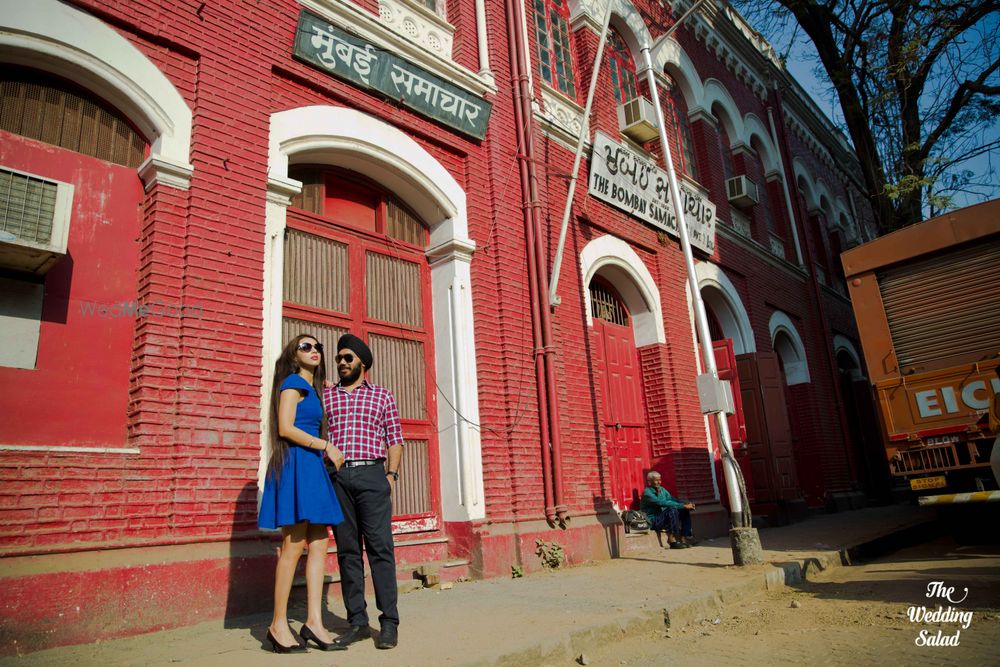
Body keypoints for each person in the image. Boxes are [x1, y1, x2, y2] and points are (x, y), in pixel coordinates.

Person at [258, 334, 346, 653]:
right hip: (297, 465)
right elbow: (285, 427)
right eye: (305, 347)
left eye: (318, 347)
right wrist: (326, 445)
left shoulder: (315, 389)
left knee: (320, 542)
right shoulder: (293, 383)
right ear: (294, 356)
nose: (314, 351)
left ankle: (313, 621)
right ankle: (278, 624)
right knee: (293, 544)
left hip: (311, 467)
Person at [323, 333, 404, 650]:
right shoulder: (328, 397)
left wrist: (391, 476)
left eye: (348, 358)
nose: (342, 362)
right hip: (339, 478)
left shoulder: (382, 396)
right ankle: (357, 620)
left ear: (363, 363)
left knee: (381, 550)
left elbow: (395, 439)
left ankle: (389, 622)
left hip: (373, 474)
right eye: (339, 358)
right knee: (347, 552)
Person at [640, 471, 696, 549]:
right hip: (653, 520)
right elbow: (660, 502)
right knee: (672, 510)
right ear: (649, 482)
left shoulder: (662, 490)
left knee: (684, 510)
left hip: (664, 518)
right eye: (656, 480)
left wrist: (686, 504)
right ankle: (671, 540)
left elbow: (671, 499)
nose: (659, 482)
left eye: (659, 480)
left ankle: (684, 537)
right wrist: (682, 505)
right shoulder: (647, 493)